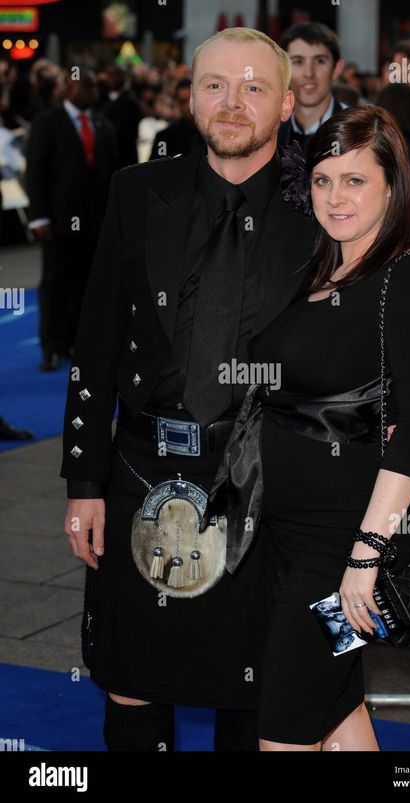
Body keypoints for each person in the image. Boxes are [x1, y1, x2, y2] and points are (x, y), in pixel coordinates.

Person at [60, 28, 315, 752]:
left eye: (254, 88)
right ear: (189, 94)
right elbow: (99, 338)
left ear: (288, 102)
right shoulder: (138, 190)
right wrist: (84, 479)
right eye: (214, 85)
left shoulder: (322, 205)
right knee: (132, 673)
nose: (231, 104)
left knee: (253, 680)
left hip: (266, 479)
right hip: (143, 467)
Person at [204, 106, 410, 751]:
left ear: (393, 188)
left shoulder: (408, 282)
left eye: (355, 181)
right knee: (339, 715)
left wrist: (365, 558)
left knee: (284, 732)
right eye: (322, 180)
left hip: (338, 546)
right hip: (276, 535)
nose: (335, 198)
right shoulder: (318, 268)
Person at [26, 70, 118, 371]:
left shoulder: (104, 125)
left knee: (87, 285)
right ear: (69, 88)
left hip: (95, 222)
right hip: (58, 221)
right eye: (86, 85)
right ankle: (52, 346)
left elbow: (112, 176)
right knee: (55, 283)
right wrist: (38, 217)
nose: (92, 91)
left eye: (95, 85)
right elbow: (36, 173)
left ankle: (77, 341)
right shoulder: (47, 123)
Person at [278, 22, 345, 154]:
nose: (309, 73)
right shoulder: (270, 129)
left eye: (320, 61)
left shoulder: (359, 128)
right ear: (283, 69)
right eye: (298, 61)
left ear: (337, 68)